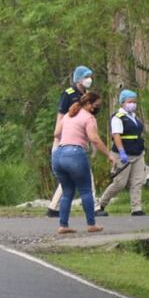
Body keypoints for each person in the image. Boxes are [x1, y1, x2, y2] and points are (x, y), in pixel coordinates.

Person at [52, 92, 116, 234]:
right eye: (96, 105)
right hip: (75, 154)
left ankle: (63, 225)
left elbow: (56, 133)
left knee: (67, 191)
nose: (97, 108)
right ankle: (91, 224)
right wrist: (108, 154)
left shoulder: (69, 115)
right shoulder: (89, 118)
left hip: (58, 154)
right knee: (86, 190)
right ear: (88, 105)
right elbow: (94, 139)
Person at [48, 65, 95, 217]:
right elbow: (61, 115)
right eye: (86, 77)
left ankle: (53, 207)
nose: (89, 80)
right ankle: (95, 208)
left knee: (69, 176)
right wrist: (58, 134)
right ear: (79, 79)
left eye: (90, 77)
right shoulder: (68, 94)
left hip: (79, 137)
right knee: (80, 173)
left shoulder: (87, 95)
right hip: (65, 138)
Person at [96, 89, 147, 216]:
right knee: (120, 183)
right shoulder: (118, 117)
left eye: (134, 102)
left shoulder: (135, 117)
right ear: (122, 103)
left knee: (137, 181)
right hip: (123, 154)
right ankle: (100, 204)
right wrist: (122, 152)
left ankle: (136, 208)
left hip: (138, 153)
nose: (133, 104)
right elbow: (116, 135)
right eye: (130, 102)